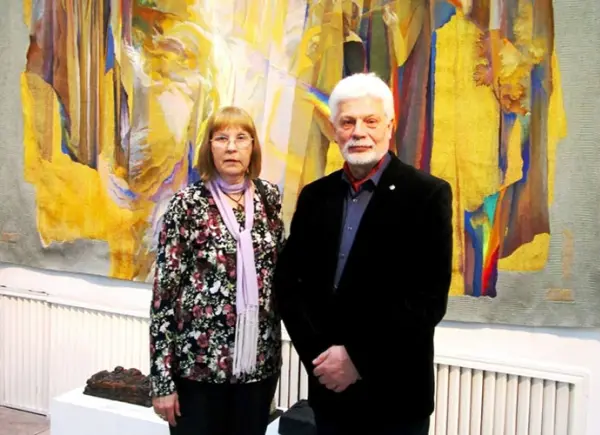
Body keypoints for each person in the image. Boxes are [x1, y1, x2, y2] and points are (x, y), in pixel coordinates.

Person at [275, 73, 454, 435]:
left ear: (390, 125)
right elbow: (289, 286)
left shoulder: (427, 195)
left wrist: (356, 359)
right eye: (347, 122)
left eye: (370, 121)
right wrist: (321, 359)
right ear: (334, 130)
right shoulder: (315, 197)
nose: (359, 132)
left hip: (396, 397)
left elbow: (427, 300)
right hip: (330, 392)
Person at [149, 106, 284, 435]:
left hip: (256, 365)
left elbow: (278, 275)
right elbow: (164, 297)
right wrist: (162, 381)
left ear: (253, 146)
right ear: (209, 147)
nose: (231, 147)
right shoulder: (187, 203)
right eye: (221, 138)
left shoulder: (268, 198)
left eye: (241, 138)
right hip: (198, 368)